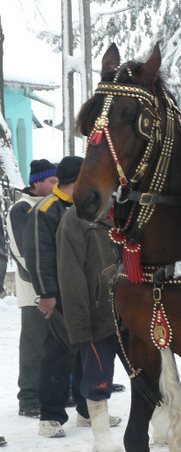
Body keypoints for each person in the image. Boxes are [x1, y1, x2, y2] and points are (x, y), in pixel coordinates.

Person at [23, 156, 89, 438]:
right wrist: (46, 295)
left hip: (87, 293)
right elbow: (39, 257)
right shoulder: (47, 209)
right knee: (58, 354)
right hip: (61, 294)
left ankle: (88, 411)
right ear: (77, 179)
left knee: (89, 352)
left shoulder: (85, 205)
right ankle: (50, 416)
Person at [57, 205, 122, 450]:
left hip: (133, 311)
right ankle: (102, 439)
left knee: (148, 373)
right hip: (99, 315)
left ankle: (162, 427)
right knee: (97, 380)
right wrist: (81, 325)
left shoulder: (130, 208)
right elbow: (70, 274)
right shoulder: (75, 218)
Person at [5, 159, 58, 419]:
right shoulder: (21, 208)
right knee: (34, 345)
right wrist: (42, 281)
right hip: (34, 288)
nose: (57, 185)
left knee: (60, 344)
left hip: (57, 285)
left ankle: (62, 391)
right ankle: (28, 396)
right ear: (36, 182)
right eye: (52, 181)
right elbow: (24, 251)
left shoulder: (54, 205)